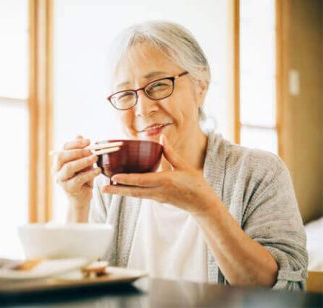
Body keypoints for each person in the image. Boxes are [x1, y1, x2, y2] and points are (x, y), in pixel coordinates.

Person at [53, 21, 307, 290]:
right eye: (126, 94)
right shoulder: (109, 184)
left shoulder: (259, 172)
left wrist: (205, 207)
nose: (143, 109)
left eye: (159, 85)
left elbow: (288, 293)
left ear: (201, 86)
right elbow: (74, 291)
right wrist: (77, 204)